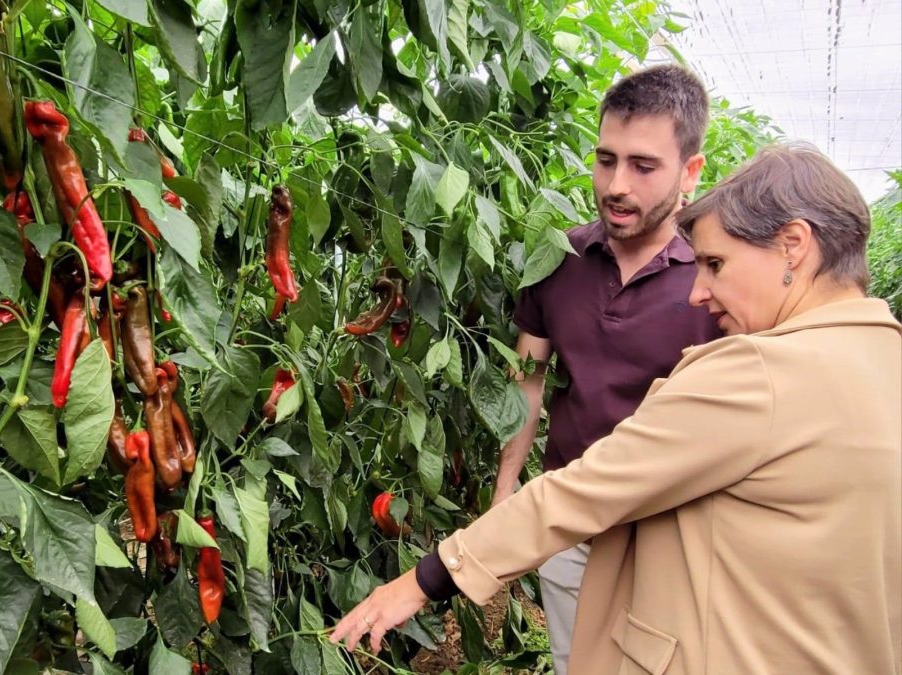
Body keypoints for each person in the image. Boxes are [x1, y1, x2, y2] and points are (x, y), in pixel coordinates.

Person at [331, 144, 902, 674]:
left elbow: (585, 489)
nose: (698, 292)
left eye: (717, 264)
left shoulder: (760, 372)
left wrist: (423, 580)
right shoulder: (885, 358)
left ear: (792, 245)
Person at [493, 64, 721, 674]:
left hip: (670, 539)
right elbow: (527, 383)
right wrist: (504, 500)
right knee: (576, 662)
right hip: (568, 524)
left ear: (690, 172)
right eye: (605, 159)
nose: (617, 184)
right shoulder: (558, 258)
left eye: (644, 166)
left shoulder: (715, 276)